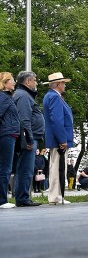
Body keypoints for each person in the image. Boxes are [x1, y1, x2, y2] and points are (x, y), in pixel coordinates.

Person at [42, 72, 75, 205]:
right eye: (63, 83)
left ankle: (57, 195)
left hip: (57, 138)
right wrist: (62, 140)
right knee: (57, 168)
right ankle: (56, 196)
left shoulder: (53, 96)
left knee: (56, 167)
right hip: (59, 139)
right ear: (57, 84)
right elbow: (57, 120)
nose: (64, 85)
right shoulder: (54, 97)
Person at [13, 71, 43, 207]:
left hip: (32, 137)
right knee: (25, 168)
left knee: (26, 168)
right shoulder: (24, 96)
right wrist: (29, 140)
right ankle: (23, 198)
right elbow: (24, 120)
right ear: (28, 82)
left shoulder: (24, 95)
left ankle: (23, 197)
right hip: (29, 139)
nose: (36, 83)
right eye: (35, 80)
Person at [0, 72, 19, 209]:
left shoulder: (8, 97)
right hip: (6, 135)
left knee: (6, 167)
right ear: (5, 83)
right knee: (5, 168)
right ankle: (2, 200)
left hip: (9, 134)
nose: (14, 82)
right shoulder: (3, 97)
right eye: (12, 80)